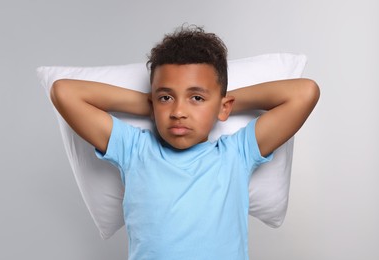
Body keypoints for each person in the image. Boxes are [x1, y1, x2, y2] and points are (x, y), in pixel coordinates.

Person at [50, 25, 320, 259]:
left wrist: (217, 104)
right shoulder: (134, 149)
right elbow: (64, 92)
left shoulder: (236, 153)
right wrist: (154, 105)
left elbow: (304, 93)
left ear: (224, 107)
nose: (178, 112)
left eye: (196, 98)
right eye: (166, 97)